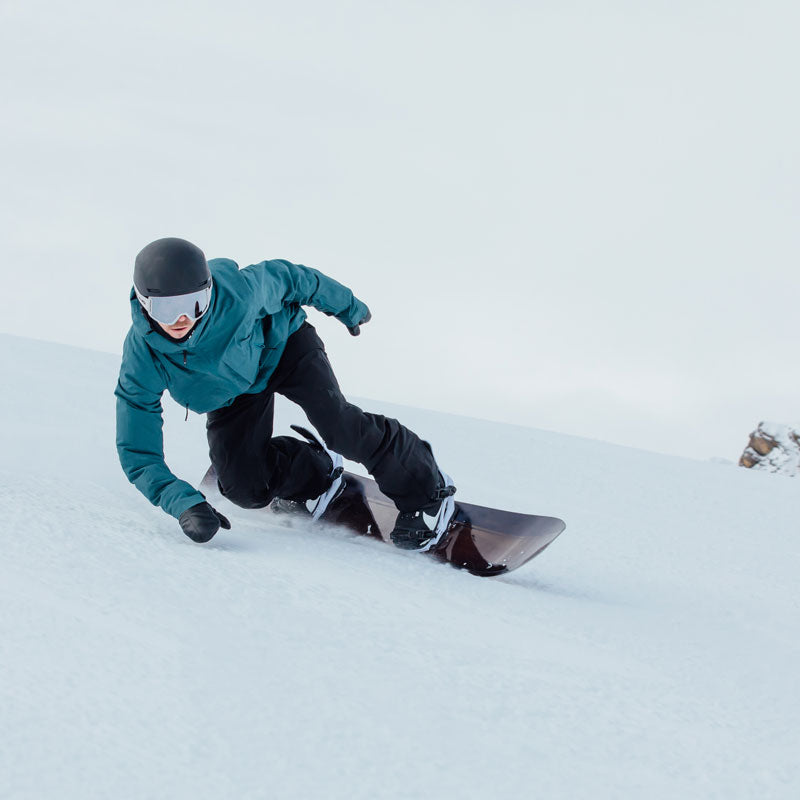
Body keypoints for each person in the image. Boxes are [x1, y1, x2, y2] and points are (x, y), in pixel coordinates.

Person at [115, 237, 456, 551]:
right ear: (143, 303)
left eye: (195, 303)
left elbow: (293, 278)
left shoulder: (238, 293)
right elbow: (138, 452)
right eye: (165, 309)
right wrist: (182, 502)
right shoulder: (142, 356)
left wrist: (346, 305)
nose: (182, 318)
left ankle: (426, 492)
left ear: (209, 292)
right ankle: (315, 473)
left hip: (284, 347)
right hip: (232, 395)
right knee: (244, 489)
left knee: (340, 427)